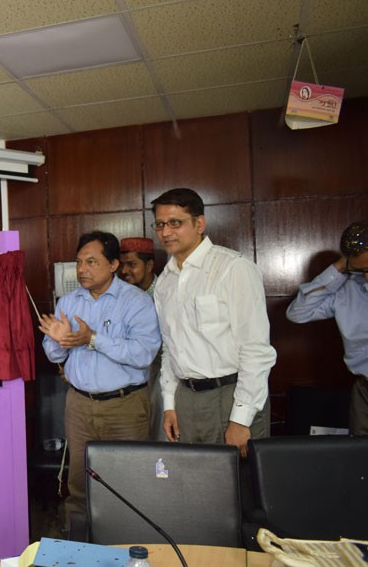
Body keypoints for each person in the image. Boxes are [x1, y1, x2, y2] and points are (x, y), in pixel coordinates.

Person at [40, 231, 160, 516]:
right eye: (79, 262)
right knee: (79, 482)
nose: (82, 269)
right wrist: (60, 340)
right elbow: (54, 355)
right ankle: (78, 548)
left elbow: (143, 354)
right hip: (79, 405)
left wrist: (91, 339)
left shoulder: (136, 301)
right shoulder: (68, 302)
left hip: (125, 406)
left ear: (114, 264)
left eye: (92, 261)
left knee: (129, 482)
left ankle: (130, 549)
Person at [152, 188, 276, 455]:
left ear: (199, 224)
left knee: (241, 486)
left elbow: (256, 349)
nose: (166, 232)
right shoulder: (165, 281)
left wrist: (240, 420)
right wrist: (170, 404)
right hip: (186, 398)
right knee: (197, 486)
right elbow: (170, 349)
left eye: (176, 222)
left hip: (230, 395)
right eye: (160, 224)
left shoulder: (233, 268)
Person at [286, 219, 368, 435]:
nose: (367, 276)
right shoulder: (348, 289)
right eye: (361, 270)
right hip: (364, 389)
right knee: (359, 459)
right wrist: (338, 268)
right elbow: (298, 313)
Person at [119, 236, 164, 441]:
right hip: (129, 382)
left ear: (149, 265)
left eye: (132, 264)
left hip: (162, 377)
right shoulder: (121, 297)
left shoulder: (166, 292)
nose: (124, 271)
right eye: (122, 265)